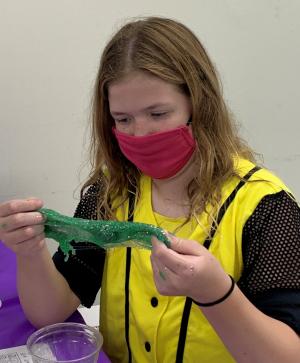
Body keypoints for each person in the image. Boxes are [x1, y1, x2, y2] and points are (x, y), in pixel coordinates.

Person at [0, 16, 299, 363]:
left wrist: (216, 294)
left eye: (158, 114)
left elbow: (287, 355)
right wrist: (29, 250)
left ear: (198, 104)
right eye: (123, 119)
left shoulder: (266, 207)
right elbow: (50, 313)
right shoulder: (110, 191)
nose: (139, 134)